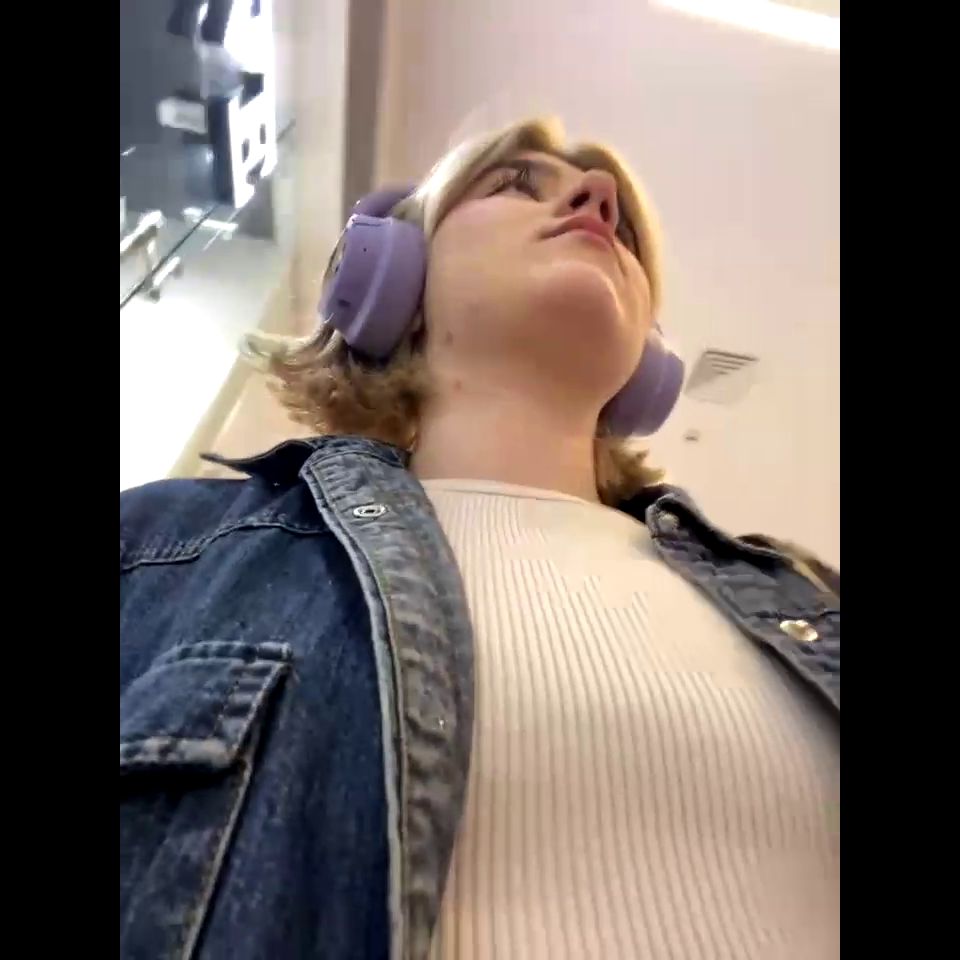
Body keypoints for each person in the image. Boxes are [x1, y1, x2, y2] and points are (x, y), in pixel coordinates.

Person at [120, 117, 839, 960]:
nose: (598, 197)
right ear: (385, 274)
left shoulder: (810, 593)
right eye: (514, 183)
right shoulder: (158, 549)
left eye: (623, 231)